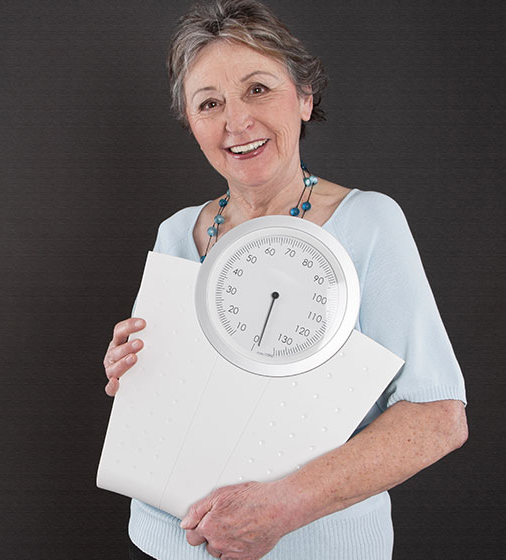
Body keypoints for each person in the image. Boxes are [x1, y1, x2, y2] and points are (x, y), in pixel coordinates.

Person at [101, 1, 468, 559]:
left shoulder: (368, 224)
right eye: (209, 103)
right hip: (167, 543)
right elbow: (173, 403)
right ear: (191, 123)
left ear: (304, 97)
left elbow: (439, 418)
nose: (236, 122)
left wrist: (282, 507)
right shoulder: (176, 233)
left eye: (257, 89)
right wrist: (131, 372)